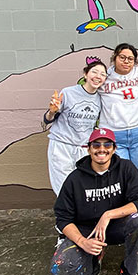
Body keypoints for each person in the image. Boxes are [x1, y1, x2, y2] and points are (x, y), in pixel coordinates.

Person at [51, 127, 138, 275]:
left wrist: (108, 215)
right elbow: (62, 218)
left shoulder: (125, 168)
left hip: (115, 227)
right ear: (88, 148)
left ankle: (129, 269)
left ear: (114, 148)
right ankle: (94, 257)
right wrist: (82, 242)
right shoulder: (74, 179)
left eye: (107, 145)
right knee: (62, 267)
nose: (102, 149)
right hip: (87, 230)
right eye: (96, 145)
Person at [44, 57, 108, 195]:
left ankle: (82, 216)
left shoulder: (101, 99)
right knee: (63, 187)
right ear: (85, 74)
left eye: (103, 74)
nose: (98, 76)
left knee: (84, 187)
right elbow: (48, 119)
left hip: (83, 149)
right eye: (94, 72)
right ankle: (67, 215)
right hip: (62, 146)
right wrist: (51, 111)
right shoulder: (68, 92)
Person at [98, 43, 138, 175]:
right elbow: (88, 87)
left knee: (137, 171)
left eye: (130, 59)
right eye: (122, 57)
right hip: (114, 132)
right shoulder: (104, 76)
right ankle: (121, 196)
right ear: (114, 58)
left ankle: (134, 196)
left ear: (135, 61)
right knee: (119, 172)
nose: (126, 61)